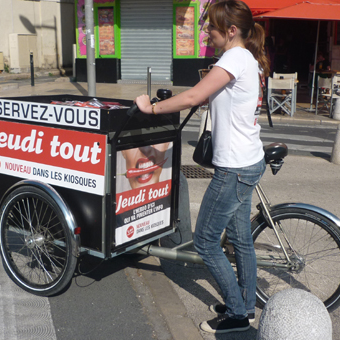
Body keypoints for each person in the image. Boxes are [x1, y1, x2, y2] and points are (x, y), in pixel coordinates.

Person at [134, 0, 268, 334]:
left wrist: (151, 108)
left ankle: (237, 314)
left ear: (231, 30)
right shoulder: (246, 58)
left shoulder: (235, 57)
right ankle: (245, 304)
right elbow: (213, 96)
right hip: (248, 160)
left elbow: (194, 97)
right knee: (240, 240)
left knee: (207, 241)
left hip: (234, 167)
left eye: (211, 26)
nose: (207, 30)